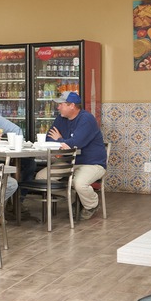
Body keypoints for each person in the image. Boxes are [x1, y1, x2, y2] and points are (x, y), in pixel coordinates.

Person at [41, 91, 106, 220]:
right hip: (69, 161)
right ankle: (73, 198)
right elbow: (48, 138)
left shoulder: (86, 119)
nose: (58, 107)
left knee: (80, 183)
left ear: (72, 105)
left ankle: (91, 204)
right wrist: (63, 142)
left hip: (92, 163)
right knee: (41, 178)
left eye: (61, 104)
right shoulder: (61, 118)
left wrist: (60, 139)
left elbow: (76, 143)